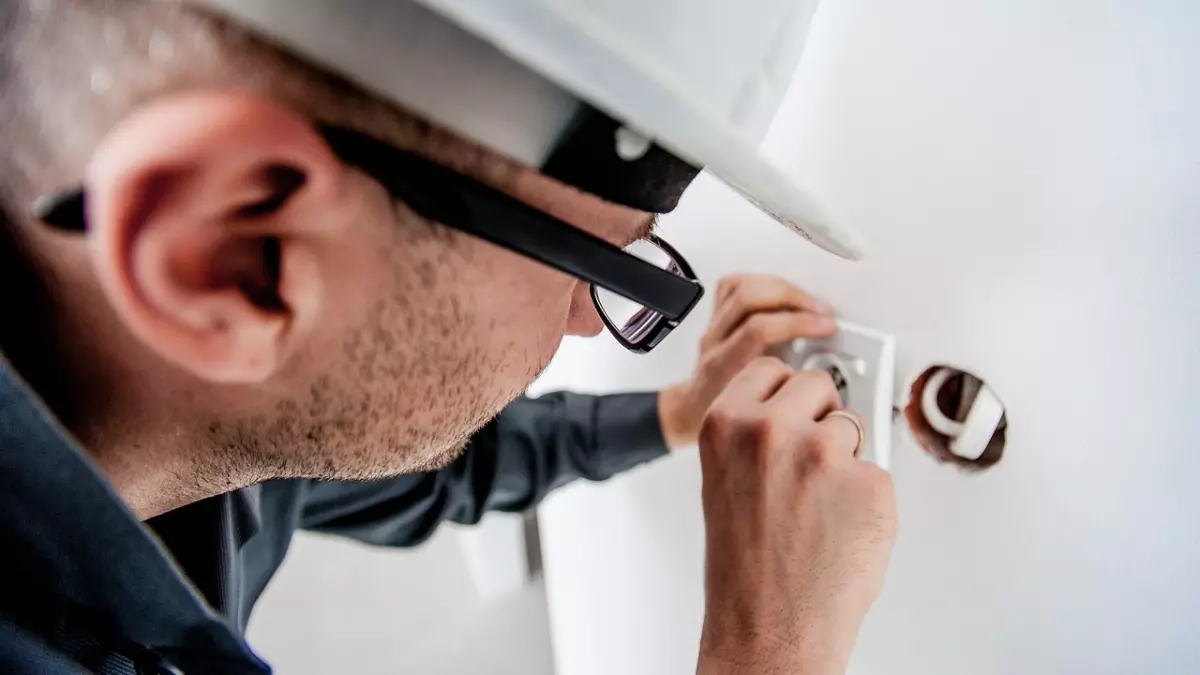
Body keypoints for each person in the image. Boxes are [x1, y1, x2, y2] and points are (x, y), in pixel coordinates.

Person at [0, 1, 898, 673]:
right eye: (604, 266)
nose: (590, 317)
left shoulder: (207, 423)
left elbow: (440, 460)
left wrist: (678, 411)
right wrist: (766, 654)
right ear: (234, 253)